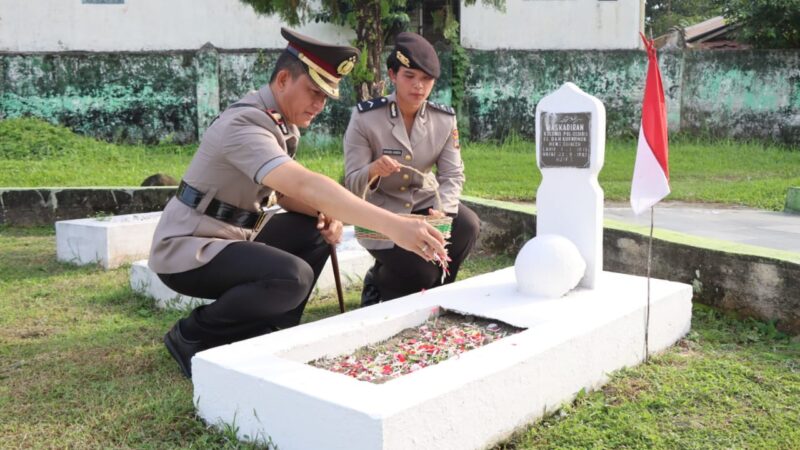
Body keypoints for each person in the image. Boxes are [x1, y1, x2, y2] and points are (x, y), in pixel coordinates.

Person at [150, 28, 448, 379]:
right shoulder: (246, 123)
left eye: (325, 97)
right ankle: (192, 335)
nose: (319, 106)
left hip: (230, 236)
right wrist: (394, 224)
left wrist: (327, 214)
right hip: (190, 246)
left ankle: (268, 330)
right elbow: (304, 182)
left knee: (313, 229)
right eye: (313, 92)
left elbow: (286, 194)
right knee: (292, 277)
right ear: (282, 79)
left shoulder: (279, 122)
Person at [343, 32, 480, 306]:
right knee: (421, 271)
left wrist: (445, 210)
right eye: (409, 76)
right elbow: (351, 183)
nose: (419, 86)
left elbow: (452, 174)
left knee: (467, 225)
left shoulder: (443, 120)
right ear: (392, 75)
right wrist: (373, 170)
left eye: (426, 79)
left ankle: (438, 293)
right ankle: (380, 283)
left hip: (425, 206)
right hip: (381, 213)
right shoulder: (366, 118)